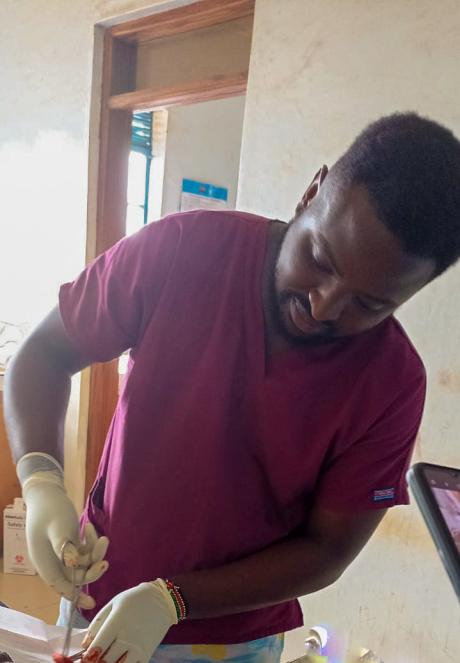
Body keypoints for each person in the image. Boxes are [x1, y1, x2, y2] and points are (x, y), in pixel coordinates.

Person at [4, 112, 460, 663]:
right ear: (311, 193)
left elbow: (328, 548)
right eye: (319, 260)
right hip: (96, 601)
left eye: (369, 304)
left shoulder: (391, 383)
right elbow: (47, 354)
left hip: (235, 639)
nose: (323, 307)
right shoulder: (181, 251)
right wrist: (41, 482)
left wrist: (173, 598)